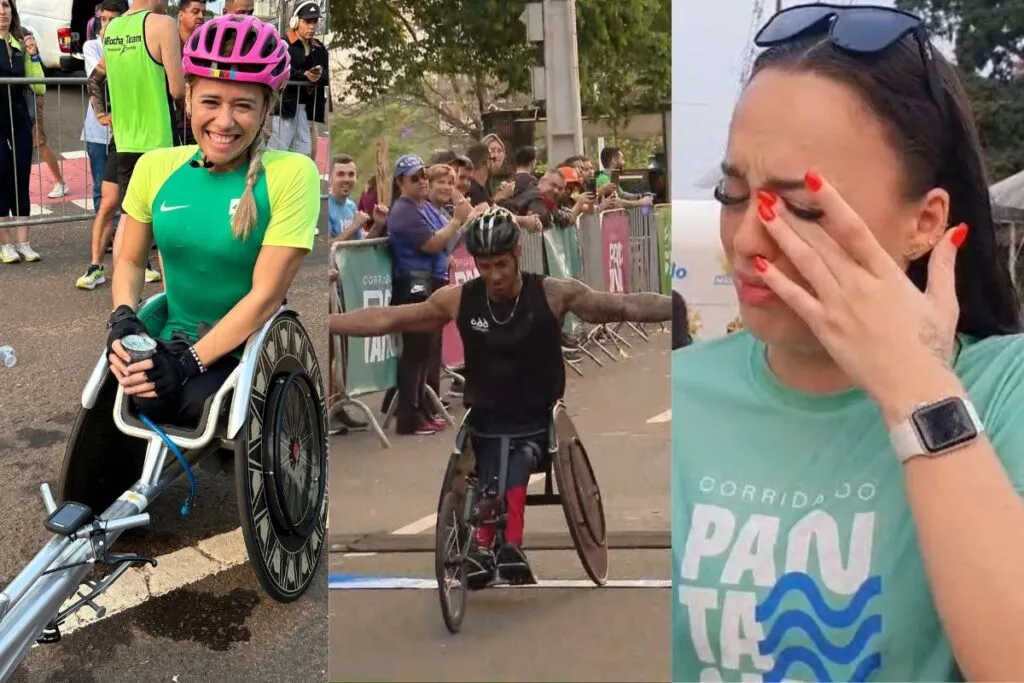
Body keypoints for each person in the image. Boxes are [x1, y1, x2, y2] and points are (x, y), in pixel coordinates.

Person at [672, 5, 1024, 681]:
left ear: (926, 222)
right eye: (733, 192)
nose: (747, 241)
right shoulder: (687, 397)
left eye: (800, 209)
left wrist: (918, 386)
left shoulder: (1002, 393)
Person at [330, 206, 671, 585]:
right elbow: (389, 318)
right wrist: (323, 322)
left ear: (517, 256)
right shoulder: (459, 299)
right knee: (493, 453)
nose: (493, 276)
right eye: (484, 265)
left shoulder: (554, 294)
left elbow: (625, 305)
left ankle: (506, 543)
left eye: (501, 266)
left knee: (520, 454)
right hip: (486, 421)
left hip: (537, 421)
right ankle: (486, 544)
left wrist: (683, 307)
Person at [105, 15, 319, 427]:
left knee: (194, 405)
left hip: (239, 346)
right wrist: (123, 318)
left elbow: (265, 297)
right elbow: (130, 261)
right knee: (129, 393)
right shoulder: (155, 167)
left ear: (266, 108)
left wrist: (188, 364)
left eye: (243, 105)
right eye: (210, 102)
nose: (224, 122)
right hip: (169, 334)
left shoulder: (293, 174)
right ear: (188, 99)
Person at [383, 154, 486, 435]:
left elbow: (448, 241)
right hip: (414, 284)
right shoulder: (404, 210)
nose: (422, 182)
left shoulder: (423, 207)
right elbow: (431, 243)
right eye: (415, 178)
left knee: (425, 352)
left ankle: (422, 408)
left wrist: (457, 225)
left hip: (433, 281)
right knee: (414, 352)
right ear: (401, 182)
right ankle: (409, 417)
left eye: (423, 176)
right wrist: (456, 222)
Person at [85, 0, 182, 285]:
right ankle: (172, 297)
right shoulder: (163, 24)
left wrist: (101, 113)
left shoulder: (113, 28)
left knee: (129, 218)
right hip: (158, 140)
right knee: (164, 219)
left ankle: (123, 299)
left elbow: (95, 78)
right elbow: (177, 89)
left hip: (124, 140)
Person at [76, 0, 126, 289]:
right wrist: (100, 112)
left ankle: (135, 257)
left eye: (112, 20)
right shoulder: (94, 47)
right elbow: (95, 78)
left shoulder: (133, 43)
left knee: (134, 203)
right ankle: (98, 261)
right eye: (102, 20)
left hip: (135, 134)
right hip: (106, 134)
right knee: (105, 196)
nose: (106, 26)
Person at [0, 0, 35, 264]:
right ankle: (6, 243)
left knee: (21, 176)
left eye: (6, 6)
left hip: (20, 119)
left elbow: (40, 86)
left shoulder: (20, 42)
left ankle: (24, 242)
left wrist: (33, 56)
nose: (2, 11)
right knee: (1, 177)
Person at [270, 1, 327, 157]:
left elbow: (327, 74)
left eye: (315, 22)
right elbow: (280, 67)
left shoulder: (320, 48)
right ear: (295, 22)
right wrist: (305, 76)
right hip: (285, 107)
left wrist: (319, 75)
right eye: (307, 21)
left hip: (307, 110)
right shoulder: (283, 44)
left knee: (303, 154)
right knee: (277, 152)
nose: (312, 26)